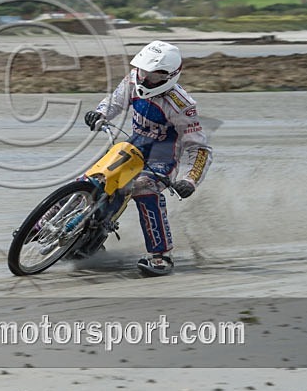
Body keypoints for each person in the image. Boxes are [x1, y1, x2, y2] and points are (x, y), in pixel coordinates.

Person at [83, 40, 213, 276]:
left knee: (144, 190)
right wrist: (99, 113)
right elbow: (115, 102)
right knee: (96, 178)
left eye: (153, 75)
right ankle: (53, 225)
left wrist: (190, 180)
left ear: (169, 76)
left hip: (163, 158)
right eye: (143, 71)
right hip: (134, 146)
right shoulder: (133, 79)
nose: (145, 79)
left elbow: (200, 148)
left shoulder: (182, 106)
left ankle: (161, 255)